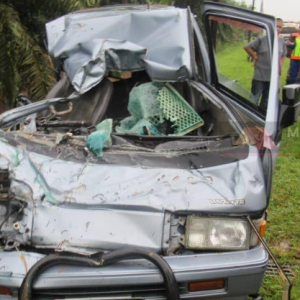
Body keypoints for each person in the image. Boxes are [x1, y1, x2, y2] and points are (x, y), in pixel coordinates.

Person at [244, 18, 287, 110]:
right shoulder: (262, 39)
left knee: (267, 99)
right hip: (260, 74)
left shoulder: (281, 41)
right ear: (271, 27)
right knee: (255, 97)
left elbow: (284, 55)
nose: (278, 29)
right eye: (276, 26)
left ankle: (261, 116)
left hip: (273, 76)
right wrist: (255, 56)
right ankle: (250, 115)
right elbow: (247, 47)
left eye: (280, 27)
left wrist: (280, 63)